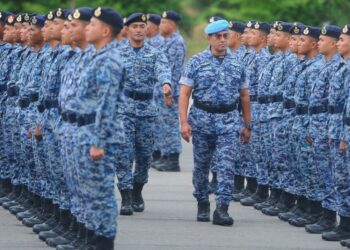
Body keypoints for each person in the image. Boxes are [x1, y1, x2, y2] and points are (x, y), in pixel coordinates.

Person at [179, 19, 251, 226]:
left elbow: (244, 96)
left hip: (229, 120)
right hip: (202, 120)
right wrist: (184, 123)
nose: (222, 40)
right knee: (201, 165)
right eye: (217, 36)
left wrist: (247, 125)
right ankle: (202, 201)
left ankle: (222, 208)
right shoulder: (196, 61)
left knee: (227, 165)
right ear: (209, 38)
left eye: (225, 36)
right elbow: (184, 94)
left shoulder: (238, 63)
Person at [303, 25, 342, 234]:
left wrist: (330, 131)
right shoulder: (325, 64)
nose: (319, 42)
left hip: (330, 127)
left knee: (332, 176)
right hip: (320, 125)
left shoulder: (338, 66)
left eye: (323, 40)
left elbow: (336, 105)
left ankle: (331, 219)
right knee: (321, 173)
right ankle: (325, 216)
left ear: (334, 43)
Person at [288, 25, 324, 227]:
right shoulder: (305, 65)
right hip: (298, 119)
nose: (298, 43)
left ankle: (318, 212)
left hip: (310, 122)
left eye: (302, 40)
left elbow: (317, 104)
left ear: (313, 44)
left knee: (313, 169)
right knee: (302, 166)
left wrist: (312, 127)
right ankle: (307, 208)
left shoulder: (318, 67)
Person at [154, 10, 185, 172]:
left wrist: (168, 93)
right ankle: (166, 156)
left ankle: (173, 159)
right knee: (163, 124)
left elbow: (173, 70)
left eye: (163, 22)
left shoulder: (177, 42)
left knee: (171, 125)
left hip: (170, 91)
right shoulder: (167, 41)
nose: (160, 26)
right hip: (162, 90)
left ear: (172, 24)